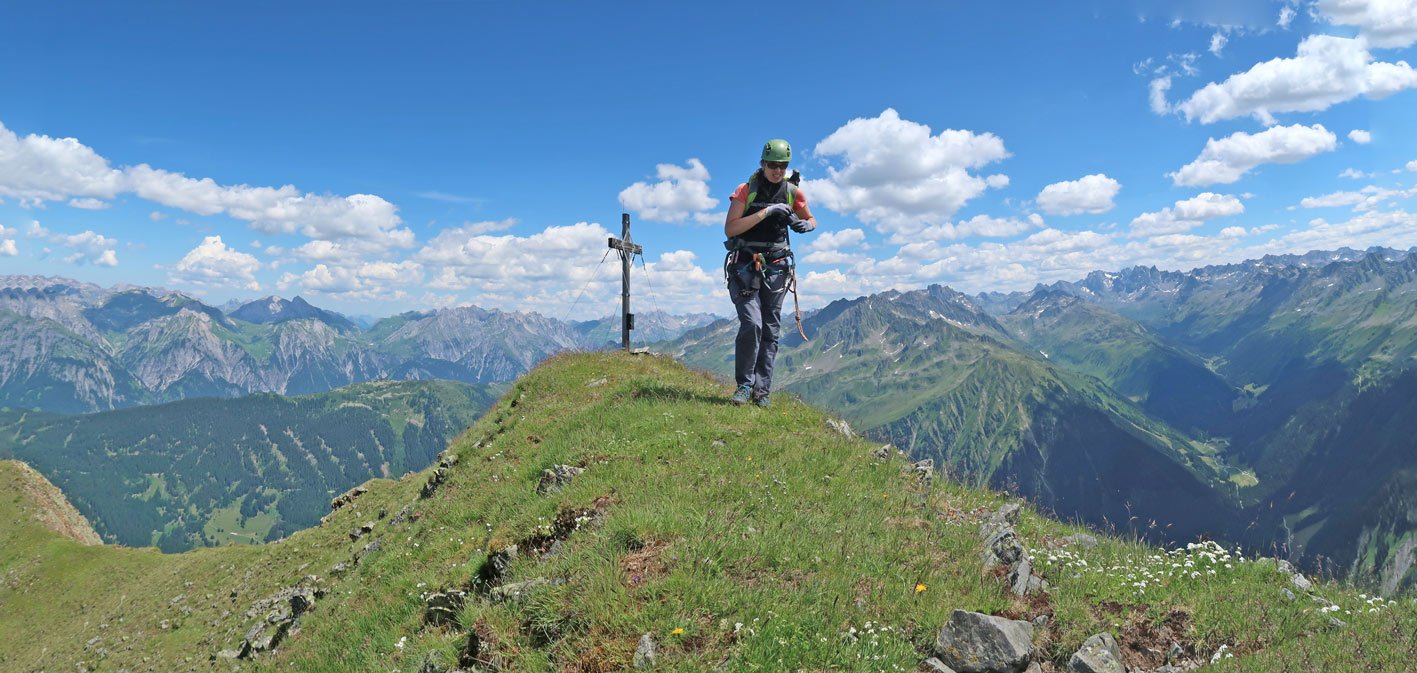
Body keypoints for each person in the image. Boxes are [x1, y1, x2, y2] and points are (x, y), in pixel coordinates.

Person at [722, 138, 818, 407]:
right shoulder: (746, 190)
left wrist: (806, 225)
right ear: (763, 164)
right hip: (745, 265)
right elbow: (731, 229)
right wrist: (767, 212)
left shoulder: (792, 192)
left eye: (782, 166)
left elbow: (811, 219)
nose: (777, 170)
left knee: (771, 330)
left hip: (776, 267)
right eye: (773, 165)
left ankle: (761, 392)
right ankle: (744, 385)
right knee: (752, 323)